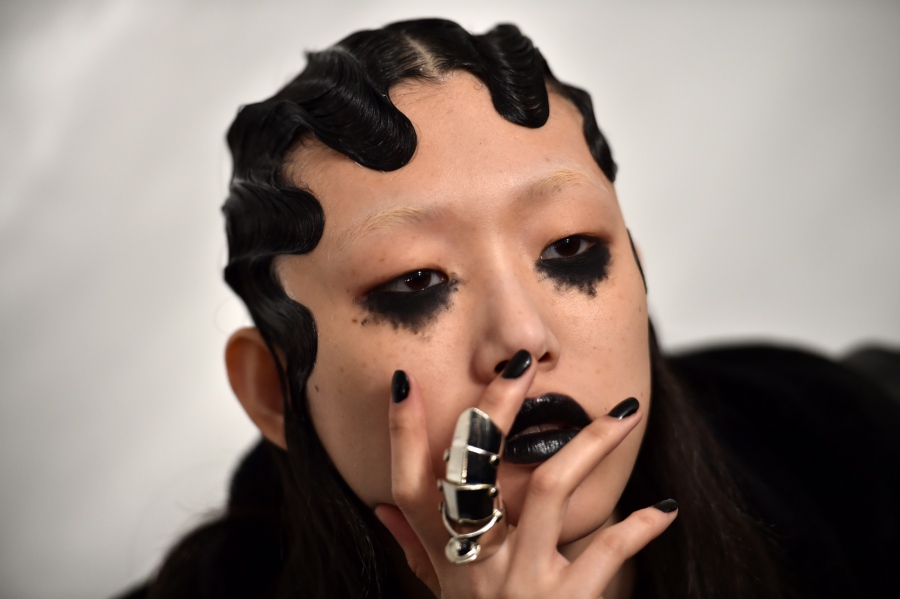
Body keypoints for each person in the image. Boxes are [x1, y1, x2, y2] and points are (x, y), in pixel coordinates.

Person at [116, 18, 900, 599]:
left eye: (568, 250)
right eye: (417, 281)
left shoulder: (843, 448)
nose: (522, 335)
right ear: (273, 389)